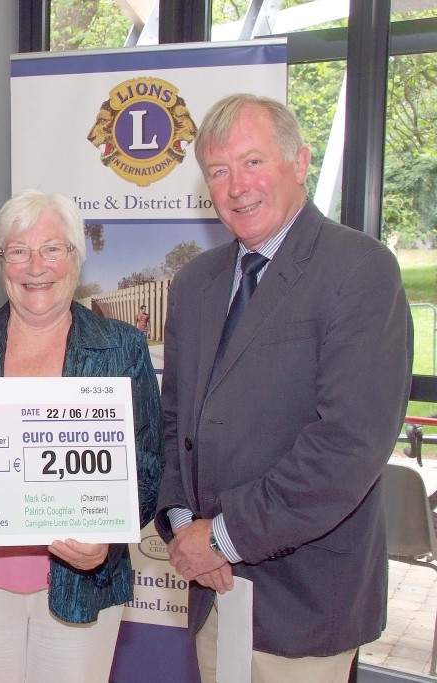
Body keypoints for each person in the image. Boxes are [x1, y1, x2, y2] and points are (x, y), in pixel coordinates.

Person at [155, 93, 412, 682]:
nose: (236, 185)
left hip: (305, 602)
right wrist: (180, 522)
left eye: (252, 162)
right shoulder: (197, 282)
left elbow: (347, 447)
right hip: (212, 590)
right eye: (218, 171)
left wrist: (222, 536)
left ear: (300, 163)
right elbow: (175, 421)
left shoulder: (360, 270)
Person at [0, 189, 164, 683]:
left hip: (80, 584)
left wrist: (109, 539)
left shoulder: (121, 348)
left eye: (52, 248)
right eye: (19, 251)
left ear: (75, 258)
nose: (36, 266)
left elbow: (148, 466)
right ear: (1, 262)